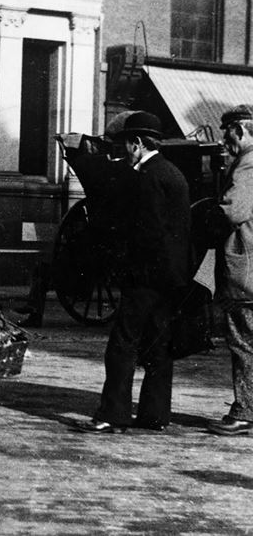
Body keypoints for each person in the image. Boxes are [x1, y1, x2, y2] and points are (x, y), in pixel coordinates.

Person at [75, 111, 190, 433]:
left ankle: (113, 414)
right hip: (170, 278)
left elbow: (147, 232)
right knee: (158, 345)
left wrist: (122, 262)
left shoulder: (147, 178)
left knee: (122, 345)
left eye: (125, 144)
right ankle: (155, 415)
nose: (123, 151)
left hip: (144, 277)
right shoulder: (173, 173)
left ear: (137, 143)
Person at [205, 105, 253, 436]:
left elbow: (232, 211)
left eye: (227, 134)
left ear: (239, 130)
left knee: (243, 343)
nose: (226, 141)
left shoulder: (248, 165)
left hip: (246, 274)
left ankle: (244, 410)